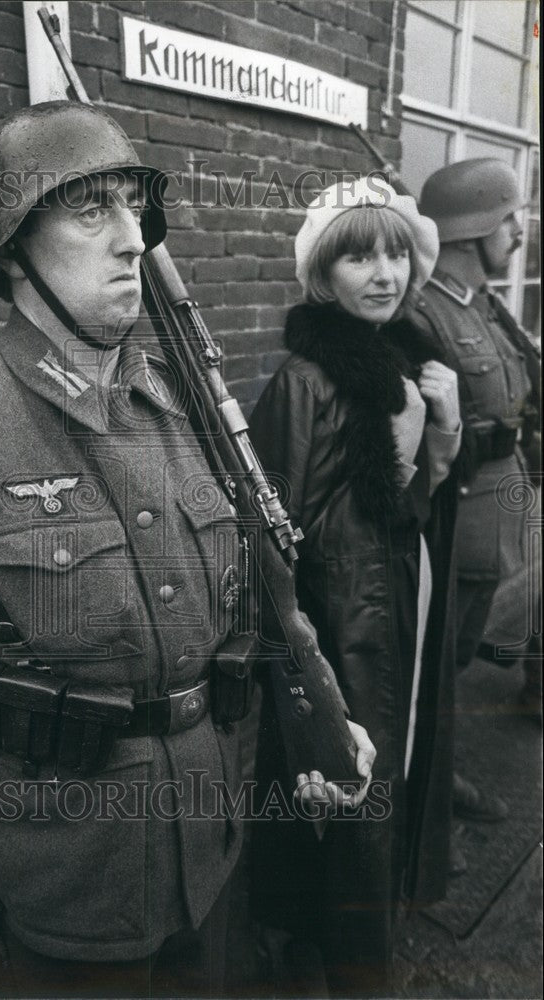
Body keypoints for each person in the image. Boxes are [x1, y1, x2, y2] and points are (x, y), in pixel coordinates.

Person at [0, 102, 374, 998]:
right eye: (91, 208)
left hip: (208, 857)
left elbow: (258, 605)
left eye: (134, 207)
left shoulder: (188, 412)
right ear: (15, 247)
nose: (133, 239)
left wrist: (320, 716)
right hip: (55, 885)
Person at [248, 177, 460, 997]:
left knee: (384, 772)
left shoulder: (402, 366)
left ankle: (347, 940)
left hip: (396, 603)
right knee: (345, 788)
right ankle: (338, 959)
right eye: (360, 256)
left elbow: (407, 502)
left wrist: (439, 421)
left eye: (396, 252)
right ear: (322, 278)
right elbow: (273, 533)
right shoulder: (307, 382)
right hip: (337, 626)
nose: (384, 273)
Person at [412, 158, 541, 821]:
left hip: (505, 499)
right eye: (510, 218)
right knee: (440, 664)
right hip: (462, 515)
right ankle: (428, 799)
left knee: (470, 650)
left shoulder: (485, 305)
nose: (520, 232)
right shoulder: (424, 312)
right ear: (472, 230)